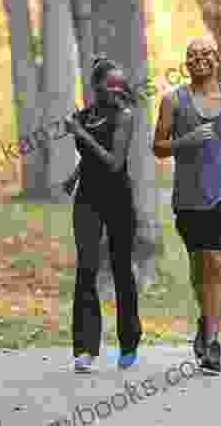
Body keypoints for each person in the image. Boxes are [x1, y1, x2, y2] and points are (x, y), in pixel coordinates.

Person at [152, 37, 221, 375]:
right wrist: (184, 142)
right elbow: (157, 146)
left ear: (217, 60)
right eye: (192, 55)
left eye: (206, 54)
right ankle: (205, 320)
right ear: (186, 64)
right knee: (199, 266)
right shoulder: (173, 101)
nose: (199, 59)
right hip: (189, 198)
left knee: (217, 263)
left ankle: (213, 341)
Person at [63, 55, 142, 372]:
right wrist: (74, 176)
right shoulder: (83, 116)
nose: (116, 88)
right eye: (110, 83)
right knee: (86, 268)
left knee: (121, 269)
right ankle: (85, 348)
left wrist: (80, 136)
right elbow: (93, 158)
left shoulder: (125, 115)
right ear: (95, 86)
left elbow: (114, 162)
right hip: (87, 200)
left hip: (118, 199)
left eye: (119, 83)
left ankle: (128, 341)